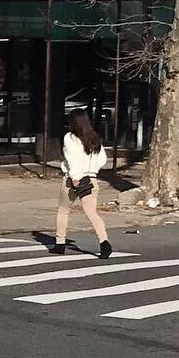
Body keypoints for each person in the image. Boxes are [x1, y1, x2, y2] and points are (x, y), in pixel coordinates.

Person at [55, 108, 111, 259]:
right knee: (91, 212)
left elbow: (72, 159)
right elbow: (102, 160)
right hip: (91, 179)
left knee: (63, 210)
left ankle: (60, 243)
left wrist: (75, 177)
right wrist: (92, 169)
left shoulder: (70, 138)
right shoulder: (94, 138)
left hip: (73, 179)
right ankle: (104, 241)